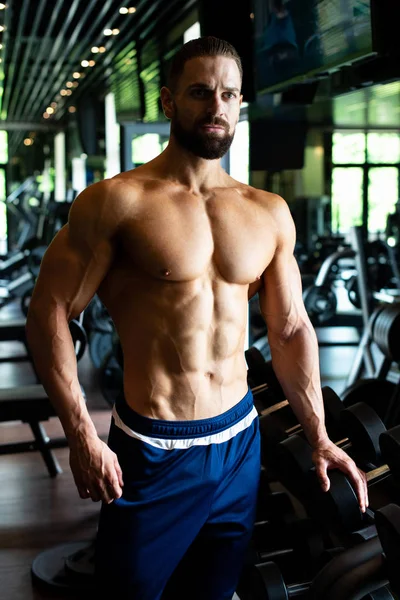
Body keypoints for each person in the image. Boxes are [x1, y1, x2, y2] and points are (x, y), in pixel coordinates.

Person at [26, 36, 368, 600]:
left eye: (229, 95)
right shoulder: (118, 202)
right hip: (153, 447)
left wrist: (321, 436)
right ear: (168, 102)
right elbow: (50, 312)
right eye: (200, 92)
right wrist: (82, 434)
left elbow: (288, 330)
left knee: (212, 593)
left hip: (239, 440)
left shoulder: (267, 212)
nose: (217, 107)